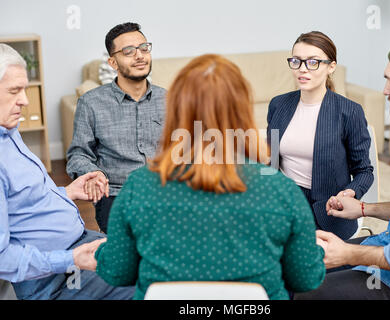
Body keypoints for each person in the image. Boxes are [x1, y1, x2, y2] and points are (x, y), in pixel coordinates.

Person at [94, 54, 326, 300]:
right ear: (243, 113)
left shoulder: (139, 186)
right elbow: (305, 279)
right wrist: (314, 251)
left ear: (175, 111)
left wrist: (101, 252)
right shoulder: (281, 190)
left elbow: (117, 273)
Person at [295, 34, 390, 300]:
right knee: (303, 267)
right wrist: (364, 209)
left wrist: (349, 253)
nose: (384, 90)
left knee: (309, 292)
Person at [0, 43, 134, 300]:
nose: (25, 101)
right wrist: (71, 259)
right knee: (149, 286)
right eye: (14, 91)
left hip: (79, 244)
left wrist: (67, 192)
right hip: (57, 279)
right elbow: (2, 258)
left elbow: (24, 203)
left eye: (24, 89)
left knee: (160, 256)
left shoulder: (8, 133)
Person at [266, 31, 374, 240]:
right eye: (296, 61)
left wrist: (350, 192)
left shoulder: (349, 111)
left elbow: (364, 171)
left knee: (307, 265)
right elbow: (271, 164)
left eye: (313, 62)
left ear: (331, 66)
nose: (302, 69)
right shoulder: (278, 105)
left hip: (328, 213)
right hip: (284, 205)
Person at [66, 22, 166, 233]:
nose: (139, 56)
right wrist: (93, 173)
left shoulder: (171, 100)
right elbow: (78, 155)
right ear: (113, 62)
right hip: (117, 194)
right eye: (128, 51)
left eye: (144, 48)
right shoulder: (91, 103)